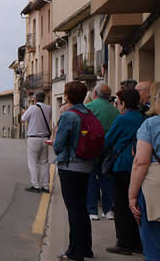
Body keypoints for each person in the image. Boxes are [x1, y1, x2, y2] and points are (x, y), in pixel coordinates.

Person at [54, 80, 94, 261]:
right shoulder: (88, 112)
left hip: (70, 166)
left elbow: (58, 144)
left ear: (67, 96)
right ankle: (86, 248)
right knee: (81, 208)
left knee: (73, 210)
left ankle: (74, 252)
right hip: (86, 165)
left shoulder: (68, 116)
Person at [102, 89, 145, 255]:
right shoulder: (142, 118)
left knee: (121, 206)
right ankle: (137, 242)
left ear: (124, 103)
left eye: (117, 102)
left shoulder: (122, 119)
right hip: (139, 166)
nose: (116, 104)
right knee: (136, 205)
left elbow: (108, 141)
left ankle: (124, 243)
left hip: (121, 166)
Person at [129, 82, 160, 260]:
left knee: (153, 240)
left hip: (154, 188)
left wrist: (132, 196)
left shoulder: (151, 125)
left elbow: (140, 163)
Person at [86, 83, 120, 219]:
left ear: (95, 94)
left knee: (91, 178)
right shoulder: (115, 111)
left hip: (92, 148)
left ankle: (92, 210)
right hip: (109, 149)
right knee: (106, 178)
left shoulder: (89, 108)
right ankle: (108, 210)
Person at [22, 90, 52, 193]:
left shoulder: (32, 108)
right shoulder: (49, 108)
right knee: (44, 162)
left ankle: (35, 185)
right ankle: (46, 186)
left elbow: (23, 119)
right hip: (45, 138)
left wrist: (25, 112)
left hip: (33, 138)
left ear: (35, 99)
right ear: (44, 98)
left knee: (33, 163)